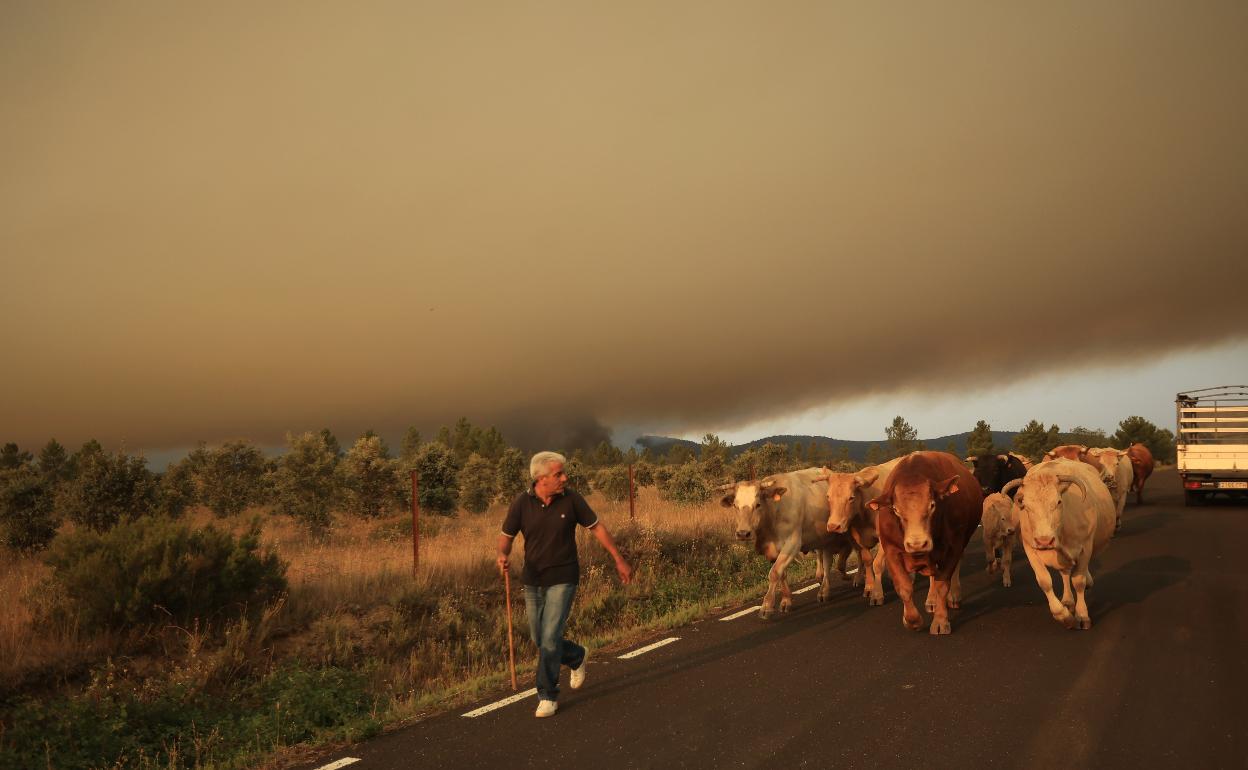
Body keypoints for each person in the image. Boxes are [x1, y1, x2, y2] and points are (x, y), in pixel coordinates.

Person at [497, 451, 633, 718]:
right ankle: (575, 656)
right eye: (558, 474)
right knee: (540, 638)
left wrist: (618, 559)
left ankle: (547, 695)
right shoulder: (521, 503)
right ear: (541, 478)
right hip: (533, 579)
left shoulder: (572, 499)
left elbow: (597, 528)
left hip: (564, 577)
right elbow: (506, 537)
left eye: (563, 473)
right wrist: (502, 555)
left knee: (549, 638)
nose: (564, 478)